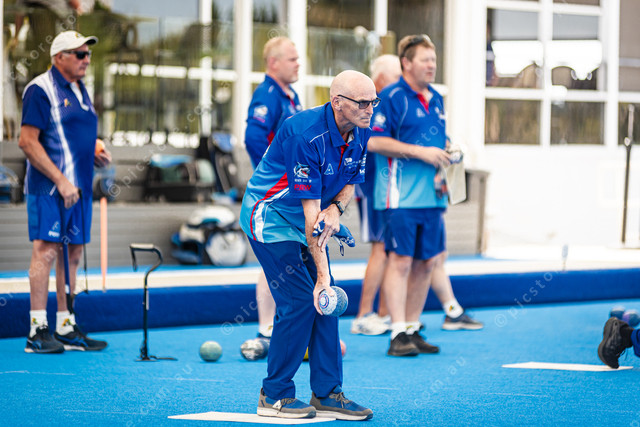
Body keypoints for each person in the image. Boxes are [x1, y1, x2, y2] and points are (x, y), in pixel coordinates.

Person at [240, 70, 374, 420]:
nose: (370, 109)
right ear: (337, 102)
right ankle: (274, 395)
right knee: (301, 299)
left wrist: (336, 209)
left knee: (326, 302)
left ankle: (327, 392)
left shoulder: (361, 128)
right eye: (362, 102)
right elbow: (311, 217)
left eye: (373, 102)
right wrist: (323, 277)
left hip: (306, 218)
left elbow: (350, 181)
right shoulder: (304, 133)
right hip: (269, 217)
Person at [368, 34, 482, 357]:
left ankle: (412, 327)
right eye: (425, 60)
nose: (432, 65)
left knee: (427, 263)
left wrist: (449, 152)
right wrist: (421, 152)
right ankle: (397, 332)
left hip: (432, 198)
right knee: (401, 261)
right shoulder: (390, 96)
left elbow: (434, 141)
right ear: (406, 63)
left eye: (433, 59)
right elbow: (374, 141)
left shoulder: (436, 98)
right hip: (399, 197)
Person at [19, 30, 111, 354]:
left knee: (72, 254)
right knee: (46, 250)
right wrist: (60, 180)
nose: (86, 59)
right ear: (59, 57)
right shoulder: (40, 89)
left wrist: (94, 151)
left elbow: (71, 135)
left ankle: (65, 324)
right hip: (49, 187)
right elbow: (27, 142)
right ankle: (37, 330)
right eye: (80, 54)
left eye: (88, 54)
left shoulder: (80, 89)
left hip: (79, 188)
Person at [244, 36, 302, 342]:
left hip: (288, 192)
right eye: (292, 59)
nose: (298, 64)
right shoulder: (267, 95)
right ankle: (267, 326)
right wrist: (271, 176)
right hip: (274, 194)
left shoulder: (290, 96)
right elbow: (253, 137)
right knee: (274, 255)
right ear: (273, 63)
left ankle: (278, 325)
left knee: (285, 255)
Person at [351, 54, 401, 336]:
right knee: (380, 247)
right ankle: (363, 314)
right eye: (397, 76)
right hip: (372, 186)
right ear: (381, 79)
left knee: (389, 248)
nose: (401, 82)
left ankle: (382, 313)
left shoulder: (390, 103)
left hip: (389, 187)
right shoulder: (370, 106)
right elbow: (371, 143)